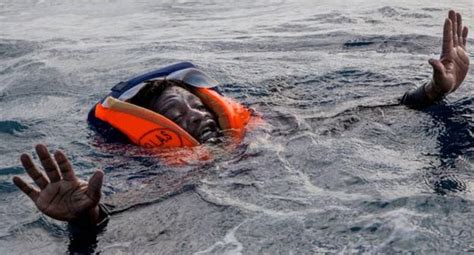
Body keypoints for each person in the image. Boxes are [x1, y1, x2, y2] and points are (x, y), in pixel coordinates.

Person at [11, 10, 470, 229]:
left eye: (194, 103)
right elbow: (121, 207)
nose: (192, 113)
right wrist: (85, 217)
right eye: (175, 113)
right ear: (156, 134)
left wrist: (432, 91)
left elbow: (360, 116)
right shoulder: (176, 177)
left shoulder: (272, 134)